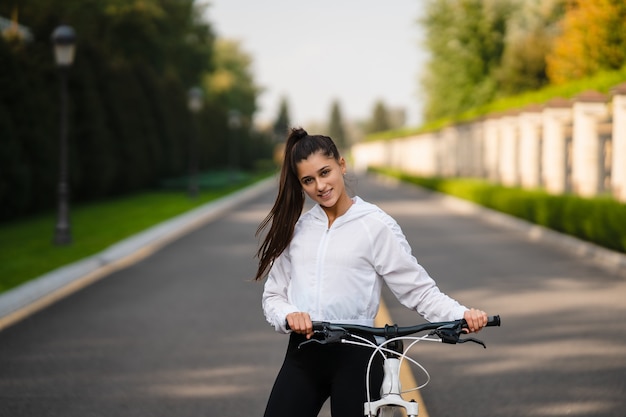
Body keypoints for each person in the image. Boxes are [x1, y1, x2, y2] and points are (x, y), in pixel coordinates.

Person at [255, 127, 488, 417]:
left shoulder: (375, 225)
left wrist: (461, 314)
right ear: (301, 185)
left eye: (325, 172)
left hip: (359, 357)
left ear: (342, 165)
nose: (320, 186)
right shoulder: (297, 230)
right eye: (308, 180)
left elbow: (418, 290)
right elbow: (274, 296)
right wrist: (289, 316)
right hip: (304, 353)